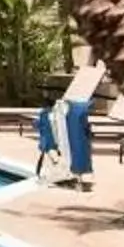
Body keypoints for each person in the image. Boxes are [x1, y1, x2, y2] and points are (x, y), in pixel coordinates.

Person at [34, 58, 103, 189]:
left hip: (64, 118)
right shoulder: (75, 108)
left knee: (48, 135)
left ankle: (62, 167)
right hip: (68, 116)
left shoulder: (53, 113)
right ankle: (68, 170)